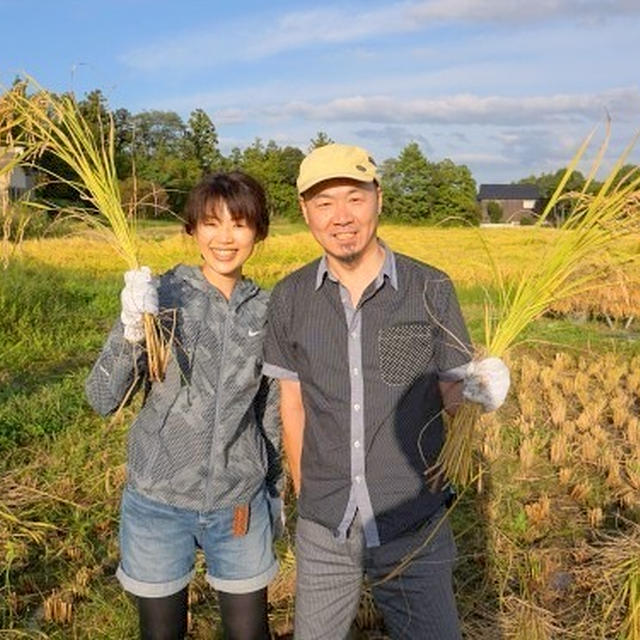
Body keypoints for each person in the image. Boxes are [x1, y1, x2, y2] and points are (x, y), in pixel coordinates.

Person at [263, 144, 510, 639]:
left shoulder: (429, 287)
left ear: (378, 198)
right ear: (306, 213)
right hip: (325, 522)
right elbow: (292, 403)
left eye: (354, 197)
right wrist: (303, 487)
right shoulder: (289, 298)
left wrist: (479, 391)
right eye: (324, 202)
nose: (341, 217)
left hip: (413, 519)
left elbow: (448, 392)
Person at [85, 171, 282, 640]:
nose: (225, 237)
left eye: (240, 223)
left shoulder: (267, 310)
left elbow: (270, 410)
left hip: (238, 503)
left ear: (259, 232)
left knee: (250, 632)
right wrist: (131, 329)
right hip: (158, 503)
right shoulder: (163, 296)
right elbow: (101, 397)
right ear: (192, 229)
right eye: (212, 223)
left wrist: (274, 490)